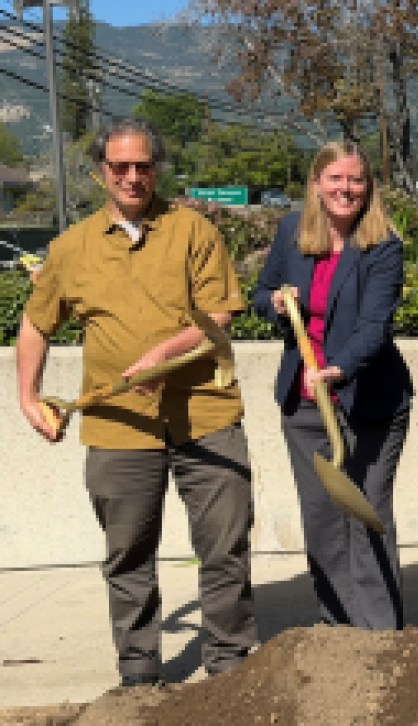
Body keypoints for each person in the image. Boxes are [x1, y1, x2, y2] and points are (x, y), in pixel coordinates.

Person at [15, 118, 257, 686]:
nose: (132, 176)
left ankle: (229, 669)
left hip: (205, 415)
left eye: (142, 166)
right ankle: (139, 677)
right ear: (102, 172)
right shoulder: (70, 249)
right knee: (127, 557)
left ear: (156, 168)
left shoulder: (193, 231)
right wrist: (27, 397)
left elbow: (217, 315)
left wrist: (165, 355)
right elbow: (34, 325)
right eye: (119, 166)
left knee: (225, 546)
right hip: (117, 425)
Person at [253, 141, 412, 630]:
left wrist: (339, 368)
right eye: (336, 179)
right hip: (305, 405)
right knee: (321, 518)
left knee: (365, 512)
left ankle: (381, 632)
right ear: (318, 183)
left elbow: (374, 326)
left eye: (356, 180)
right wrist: (276, 305)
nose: (346, 189)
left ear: (368, 187)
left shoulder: (382, 243)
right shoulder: (291, 232)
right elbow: (260, 294)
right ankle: (339, 630)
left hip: (368, 399)